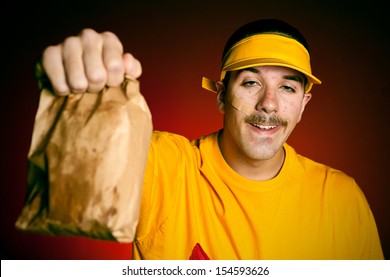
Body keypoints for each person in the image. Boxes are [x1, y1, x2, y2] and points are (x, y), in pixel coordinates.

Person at [36, 19, 383, 259]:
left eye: (288, 87)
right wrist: (78, 102)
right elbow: (75, 173)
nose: (269, 103)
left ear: (303, 104)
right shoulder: (165, 166)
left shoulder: (342, 201)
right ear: (220, 95)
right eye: (250, 82)